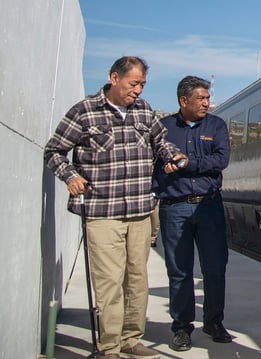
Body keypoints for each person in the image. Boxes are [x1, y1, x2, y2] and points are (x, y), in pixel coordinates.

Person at [44, 56, 185, 359]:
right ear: (114, 78)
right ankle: (108, 347)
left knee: (137, 279)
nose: (138, 90)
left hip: (140, 210)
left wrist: (173, 156)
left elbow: (162, 143)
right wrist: (71, 176)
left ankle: (130, 339)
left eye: (142, 85)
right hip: (101, 212)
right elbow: (54, 151)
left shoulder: (145, 111)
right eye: (134, 84)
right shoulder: (84, 112)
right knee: (109, 282)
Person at [152, 76, 232, 351]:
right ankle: (182, 328)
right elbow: (153, 163)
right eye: (201, 98)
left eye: (208, 98)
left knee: (215, 268)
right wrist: (164, 172)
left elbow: (221, 160)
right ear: (183, 101)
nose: (207, 103)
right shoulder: (162, 129)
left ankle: (213, 322)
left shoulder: (216, 125)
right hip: (175, 208)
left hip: (209, 206)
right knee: (179, 271)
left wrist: (187, 164)